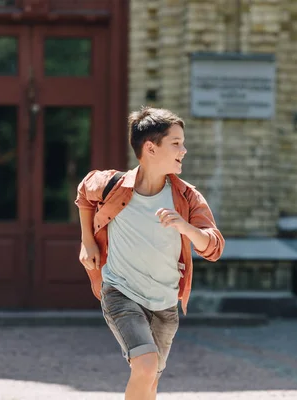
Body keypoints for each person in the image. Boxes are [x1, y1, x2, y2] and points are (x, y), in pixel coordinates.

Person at [75, 106, 225, 400]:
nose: (185, 149)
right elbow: (84, 192)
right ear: (150, 148)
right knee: (145, 366)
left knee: (150, 380)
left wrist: (186, 228)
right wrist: (87, 241)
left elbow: (214, 247)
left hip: (165, 305)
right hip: (120, 292)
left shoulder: (187, 197)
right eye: (176, 143)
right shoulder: (113, 186)